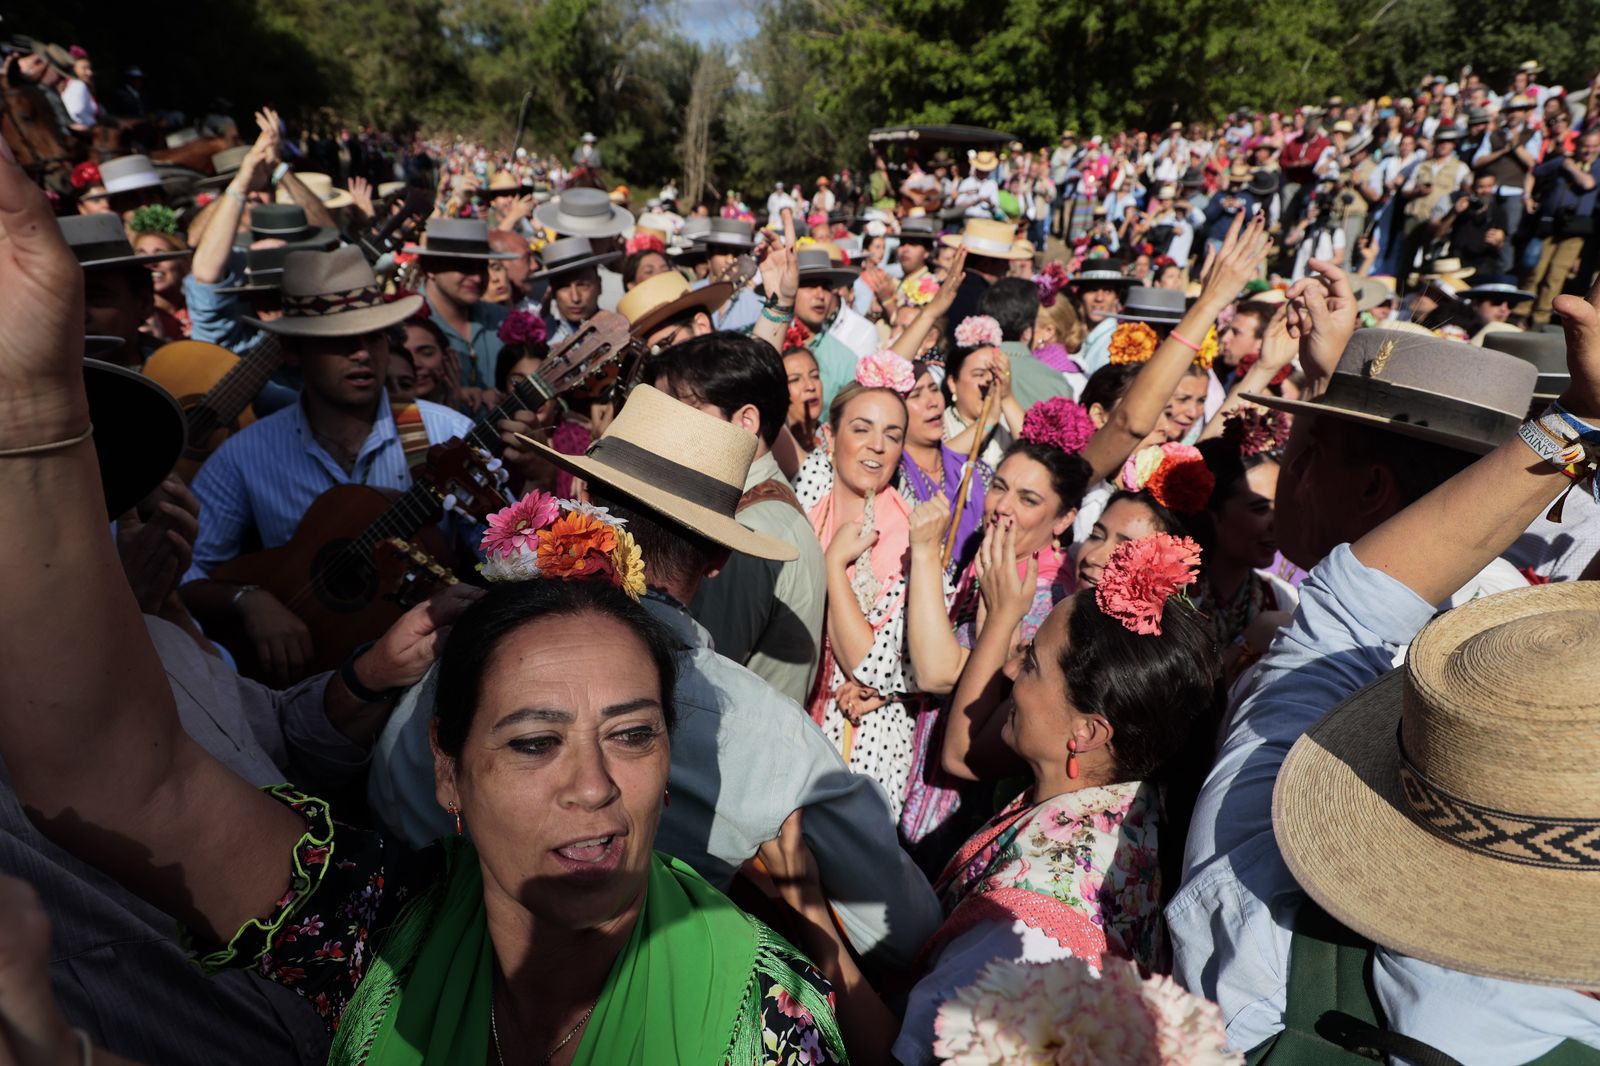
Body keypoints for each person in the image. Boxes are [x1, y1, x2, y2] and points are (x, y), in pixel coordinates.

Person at [0, 151, 849, 1066]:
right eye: (532, 740)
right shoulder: (373, 934)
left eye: (635, 734)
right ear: (446, 771)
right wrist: (31, 409)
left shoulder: (773, 1022)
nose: (595, 787)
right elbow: (125, 777)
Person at [1172, 272, 1600, 1061]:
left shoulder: (1263, 936)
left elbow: (1345, 613)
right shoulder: (1534, 642)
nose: (1290, 475)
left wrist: (1581, 421)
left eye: (1312, 451)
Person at [369, 386, 944, 967]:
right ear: (720, 558)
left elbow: (390, 792)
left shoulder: (477, 650)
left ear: (584, 501)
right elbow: (904, 927)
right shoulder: (765, 730)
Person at [178, 248, 498, 683]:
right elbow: (184, 569)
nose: (362, 354)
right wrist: (246, 600)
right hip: (302, 681)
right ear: (292, 351)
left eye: (374, 337)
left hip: (431, 674)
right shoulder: (244, 456)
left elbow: (506, 557)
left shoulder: (445, 434)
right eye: (338, 342)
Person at [644, 333, 827, 705]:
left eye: (683, 412)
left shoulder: (753, 532)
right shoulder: (752, 508)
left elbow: (697, 676)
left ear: (746, 421)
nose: (666, 429)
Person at [793, 364, 925, 818]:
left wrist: (833, 565)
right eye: (862, 428)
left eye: (892, 434)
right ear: (830, 438)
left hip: (859, 733)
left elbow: (869, 670)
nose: (877, 445)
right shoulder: (810, 505)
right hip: (795, 716)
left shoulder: (909, 537)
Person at [406, 217, 519, 402]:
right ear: (430, 267)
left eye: (481, 267)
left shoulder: (504, 320)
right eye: (464, 267)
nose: (476, 278)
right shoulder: (406, 324)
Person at [59, 214, 180, 368]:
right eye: (64, 302)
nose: (79, 315)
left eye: (95, 297)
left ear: (144, 303)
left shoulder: (188, 371)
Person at [1526, 128, 1600, 325]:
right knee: (1536, 270)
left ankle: (1539, 318)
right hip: (1551, 225)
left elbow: (1588, 183)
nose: (1589, 150)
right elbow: (1535, 171)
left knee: (1556, 274)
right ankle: (1520, 311)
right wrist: (1527, 197)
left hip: (1576, 230)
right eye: (1585, 146)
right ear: (1577, 145)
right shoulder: (1559, 162)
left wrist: (1570, 166)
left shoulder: (1597, 166)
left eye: (1594, 147)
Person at [795, 247, 878, 408]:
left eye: (826, 287)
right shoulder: (769, 340)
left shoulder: (846, 360)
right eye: (810, 285)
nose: (820, 295)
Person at [532, 236, 621, 350]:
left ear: (599, 285)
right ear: (553, 291)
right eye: (564, 287)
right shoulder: (542, 341)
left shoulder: (619, 332)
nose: (575, 298)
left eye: (583, 285)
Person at [1071, 258, 1135, 373]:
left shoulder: (1115, 344)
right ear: (1080, 295)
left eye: (1107, 291)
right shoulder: (1072, 332)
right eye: (1092, 289)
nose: (1099, 298)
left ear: (1117, 297)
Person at [783, 346, 823, 452]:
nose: (810, 386)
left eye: (815, 376)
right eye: (795, 379)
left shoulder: (837, 438)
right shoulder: (775, 450)